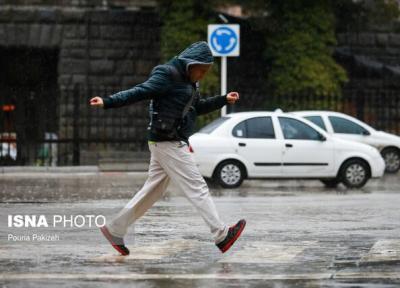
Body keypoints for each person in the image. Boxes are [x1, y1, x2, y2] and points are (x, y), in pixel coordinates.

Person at [89, 41, 246, 256]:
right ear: (192, 64)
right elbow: (140, 91)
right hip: (168, 141)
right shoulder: (167, 74)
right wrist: (108, 101)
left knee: (152, 191)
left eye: (206, 71)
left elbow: (196, 108)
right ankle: (221, 234)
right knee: (197, 186)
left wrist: (222, 100)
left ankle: (115, 229)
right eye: (202, 70)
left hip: (168, 141)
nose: (202, 74)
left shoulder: (190, 82)